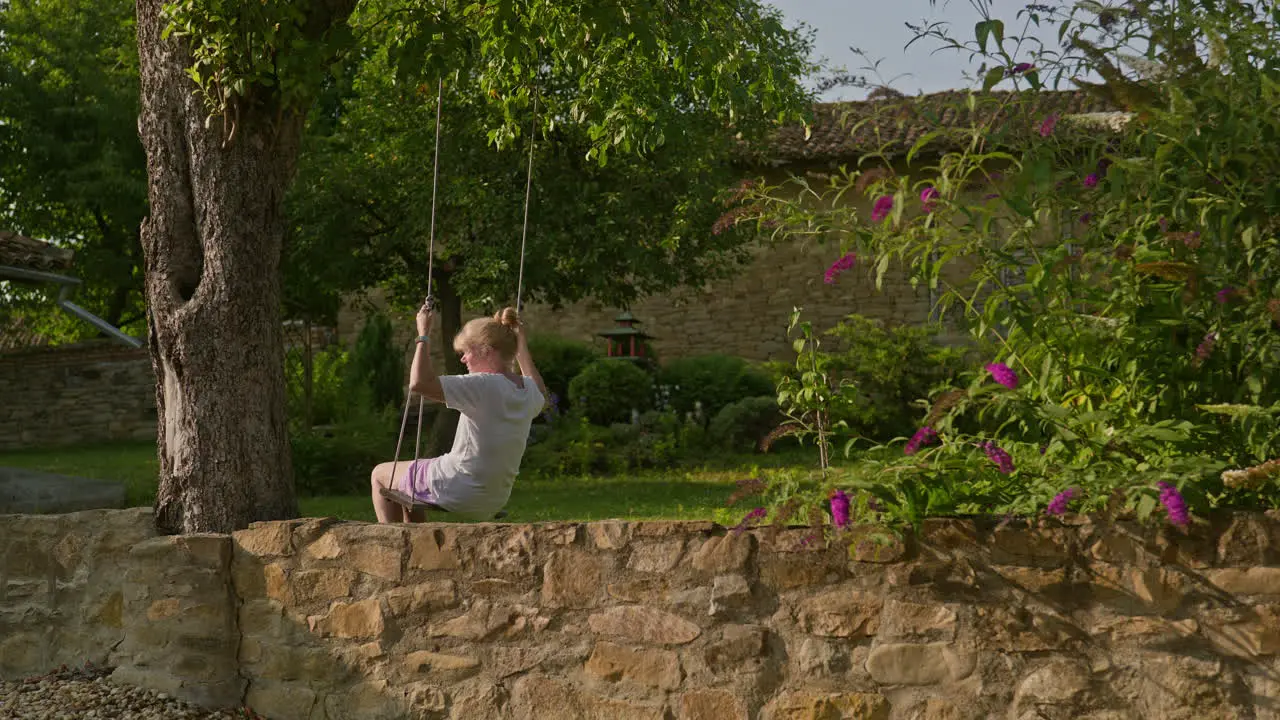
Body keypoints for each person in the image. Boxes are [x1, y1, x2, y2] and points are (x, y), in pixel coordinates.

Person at [370, 301, 547, 523]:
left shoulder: (482, 385)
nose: (463, 359)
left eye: (466, 352)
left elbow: (419, 384)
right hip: (493, 500)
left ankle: (392, 546)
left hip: (458, 488)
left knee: (380, 474)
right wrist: (520, 341)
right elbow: (539, 388)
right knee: (408, 484)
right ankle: (415, 545)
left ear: (486, 351)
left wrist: (423, 334)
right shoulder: (528, 391)